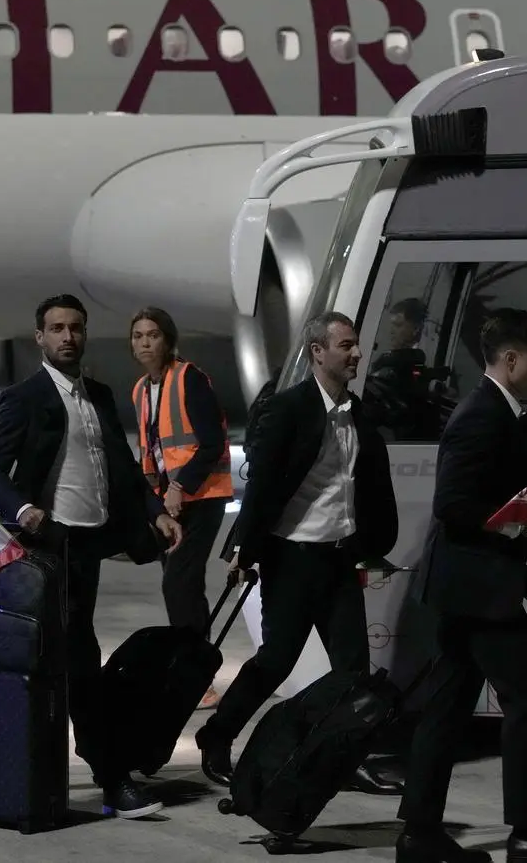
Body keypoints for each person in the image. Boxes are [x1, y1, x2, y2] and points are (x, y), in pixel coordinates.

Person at [395, 309, 527, 863]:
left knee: (447, 706)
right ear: (511, 360)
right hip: (478, 588)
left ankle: (419, 834)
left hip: (470, 586)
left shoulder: (499, 412)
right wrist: (525, 521)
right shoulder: (481, 415)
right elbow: (454, 506)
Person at [0, 293, 183, 820]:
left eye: (75, 328)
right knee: (77, 660)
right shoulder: (24, 397)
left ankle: (65, 770)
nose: (67, 336)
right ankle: (110, 777)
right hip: (49, 546)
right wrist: (23, 509)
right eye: (57, 328)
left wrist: (154, 509)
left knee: (71, 658)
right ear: (40, 337)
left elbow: (123, 465)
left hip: (89, 544)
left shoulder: (100, 395)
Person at [194, 311, 403, 795]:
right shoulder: (288, 409)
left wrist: (372, 544)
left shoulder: (360, 413)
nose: (355, 353)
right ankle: (216, 736)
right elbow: (263, 485)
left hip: (339, 558)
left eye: (356, 345)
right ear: (318, 351)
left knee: (352, 673)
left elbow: (366, 485)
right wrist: (243, 547)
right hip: (292, 559)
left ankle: (343, 759)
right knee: (276, 661)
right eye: (345, 345)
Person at [128, 306, 233, 710]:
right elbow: (151, 452)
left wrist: (179, 487)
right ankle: (194, 670)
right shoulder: (141, 389)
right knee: (181, 588)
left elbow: (212, 444)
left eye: (152, 334)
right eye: (138, 336)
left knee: (180, 584)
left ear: (168, 340)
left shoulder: (190, 379)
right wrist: (155, 502)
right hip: (167, 505)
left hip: (201, 498)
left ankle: (197, 678)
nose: (144, 342)